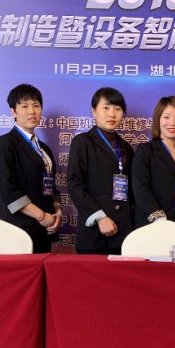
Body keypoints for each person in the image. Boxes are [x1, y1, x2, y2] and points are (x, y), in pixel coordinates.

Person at [0, 83, 62, 253]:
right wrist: (41, 216)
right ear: (13, 111)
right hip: (16, 228)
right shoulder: (5, 144)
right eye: (25, 106)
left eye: (36, 106)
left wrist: (57, 213)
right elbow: (7, 190)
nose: (31, 111)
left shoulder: (44, 149)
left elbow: (51, 187)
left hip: (44, 229)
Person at [67, 87, 134, 255]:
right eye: (106, 108)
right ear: (93, 111)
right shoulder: (83, 142)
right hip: (94, 233)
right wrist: (100, 217)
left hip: (123, 232)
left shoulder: (126, 147)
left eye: (117, 109)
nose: (112, 114)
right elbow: (75, 184)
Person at [131, 95, 175, 230]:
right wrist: (160, 221)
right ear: (158, 119)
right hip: (152, 227)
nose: (172, 123)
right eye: (167, 117)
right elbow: (140, 188)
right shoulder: (145, 150)